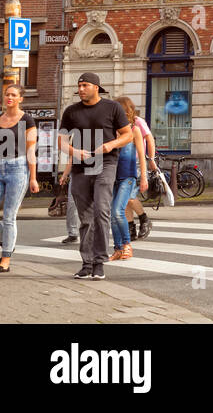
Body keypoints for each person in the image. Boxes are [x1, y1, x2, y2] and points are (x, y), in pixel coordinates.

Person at [59, 73, 133, 280]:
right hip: (81, 168)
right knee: (85, 218)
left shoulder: (112, 108)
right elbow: (62, 142)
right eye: (79, 85)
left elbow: (128, 134)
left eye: (85, 85)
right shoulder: (71, 112)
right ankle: (87, 263)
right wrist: (73, 152)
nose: (81, 89)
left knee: (101, 209)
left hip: (106, 163)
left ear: (96, 87)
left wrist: (111, 144)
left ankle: (99, 261)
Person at [0, 83, 39, 272]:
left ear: (20, 99)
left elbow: (31, 150)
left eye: (14, 95)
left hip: (18, 169)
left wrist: (33, 177)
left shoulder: (27, 120)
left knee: (9, 216)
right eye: (7, 94)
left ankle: (5, 257)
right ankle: (4, 237)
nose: (10, 97)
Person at [108, 98, 147, 261]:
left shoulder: (134, 130)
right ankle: (117, 248)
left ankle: (126, 245)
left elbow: (141, 155)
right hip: (111, 176)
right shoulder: (110, 130)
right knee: (113, 214)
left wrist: (143, 177)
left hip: (128, 176)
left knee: (118, 211)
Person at [123, 105, 156, 241]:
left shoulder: (137, 122)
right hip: (123, 163)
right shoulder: (118, 124)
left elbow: (149, 139)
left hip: (136, 162)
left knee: (129, 196)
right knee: (123, 199)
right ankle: (131, 228)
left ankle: (144, 218)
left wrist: (152, 159)